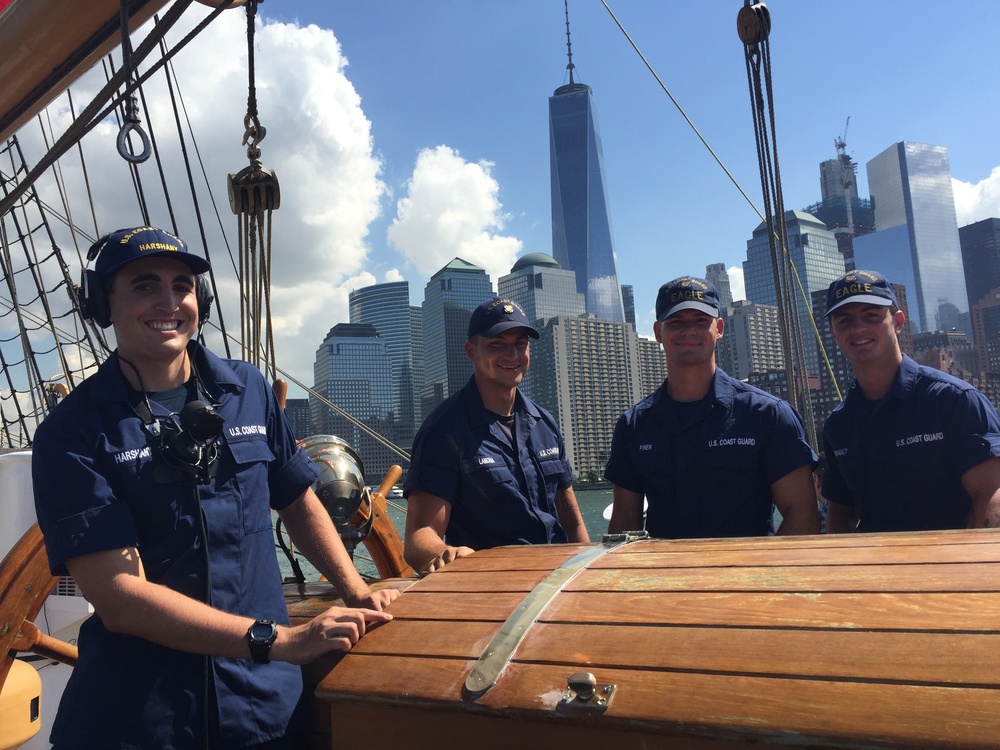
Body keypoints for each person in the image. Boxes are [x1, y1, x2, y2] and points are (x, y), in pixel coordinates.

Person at [32, 226, 398, 750]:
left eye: (182, 285)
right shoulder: (71, 434)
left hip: (263, 712)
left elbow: (297, 497)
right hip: (140, 719)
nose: (169, 301)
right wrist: (282, 641)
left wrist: (356, 589)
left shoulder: (247, 389)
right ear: (101, 306)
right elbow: (120, 598)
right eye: (144, 286)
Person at [605, 275, 819, 538]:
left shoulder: (767, 415)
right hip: (664, 576)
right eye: (676, 322)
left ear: (719, 328)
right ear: (658, 332)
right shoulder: (633, 425)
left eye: (700, 321)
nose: (689, 331)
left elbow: (803, 513)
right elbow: (625, 522)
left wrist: (761, 575)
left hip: (746, 575)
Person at [403, 297, 590, 573]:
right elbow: (419, 536)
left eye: (520, 344)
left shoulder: (544, 423)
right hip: (492, 586)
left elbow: (571, 521)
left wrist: (590, 573)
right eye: (497, 345)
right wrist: (446, 553)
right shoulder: (443, 431)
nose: (512, 355)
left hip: (556, 578)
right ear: (471, 352)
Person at [821, 270, 1000, 532]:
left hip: (952, 566)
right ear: (833, 333)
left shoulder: (954, 400)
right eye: (844, 321)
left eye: (871, 316)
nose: (858, 329)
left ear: (898, 322)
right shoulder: (838, 424)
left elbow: (992, 497)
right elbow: (841, 512)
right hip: (875, 570)